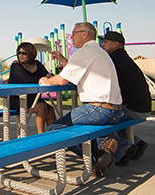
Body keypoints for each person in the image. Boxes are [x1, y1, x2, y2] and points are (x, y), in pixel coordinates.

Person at [39, 22, 125, 175]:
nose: (71, 37)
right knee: (81, 128)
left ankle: (98, 155)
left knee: (55, 128)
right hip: (115, 110)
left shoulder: (83, 52)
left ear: (85, 34)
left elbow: (61, 80)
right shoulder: (99, 51)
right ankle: (100, 156)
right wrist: (62, 61)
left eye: (74, 33)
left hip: (98, 109)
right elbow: (74, 72)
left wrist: (45, 81)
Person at [100, 30, 150, 165]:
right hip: (142, 107)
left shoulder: (114, 61)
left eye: (105, 42)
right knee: (110, 116)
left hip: (133, 109)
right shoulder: (123, 58)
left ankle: (124, 149)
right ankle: (138, 144)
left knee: (99, 119)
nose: (102, 45)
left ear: (116, 44)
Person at [7, 42, 55, 133]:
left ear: (31, 53)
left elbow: (48, 75)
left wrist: (47, 77)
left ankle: (53, 135)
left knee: (51, 110)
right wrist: (42, 79)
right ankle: (41, 136)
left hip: (33, 98)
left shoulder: (37, 64)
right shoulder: (16, 65)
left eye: (24, 53)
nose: (21, 55)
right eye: (19, 53)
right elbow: (26, 80)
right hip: (18, 98)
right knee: (41, 107)